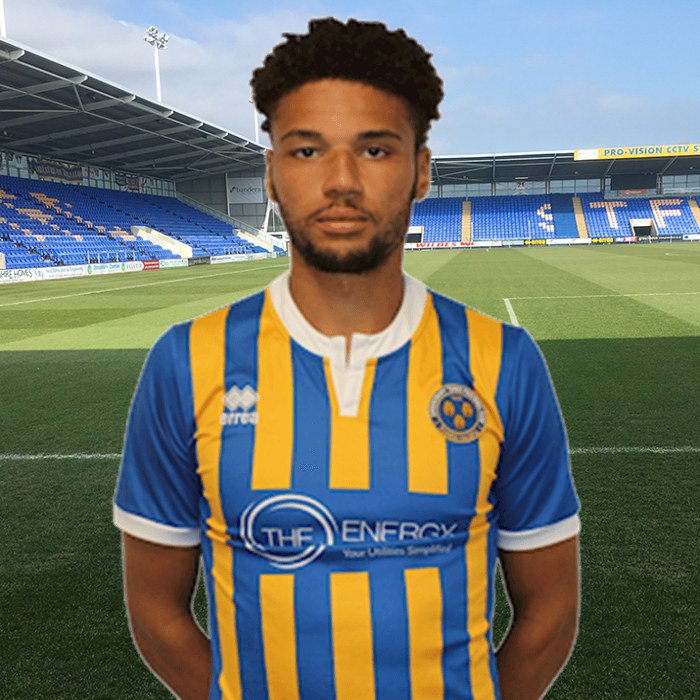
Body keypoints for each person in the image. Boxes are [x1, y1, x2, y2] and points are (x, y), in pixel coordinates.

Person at [113, 17, 580, 700]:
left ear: (421, 171)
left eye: (375, 149)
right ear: (272, 174)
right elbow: (156, 610)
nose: (340, 181)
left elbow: (551, 610)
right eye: (306, 151)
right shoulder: (185, 361)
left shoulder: (503, 361)